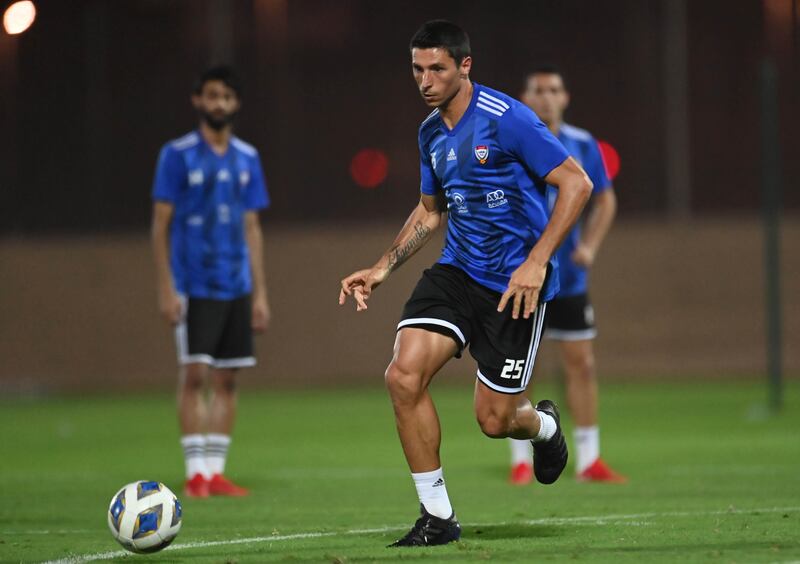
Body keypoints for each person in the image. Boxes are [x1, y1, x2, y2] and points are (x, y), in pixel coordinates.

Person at [339, 21, 592, 546]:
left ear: (464, 66)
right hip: (457, 273)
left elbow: (576, 182)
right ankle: (438, 517)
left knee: (495, 420)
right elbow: (431, 213)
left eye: (437, 68)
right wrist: (383, 267)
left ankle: (543, 427)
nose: (426, 80)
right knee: (402, 376)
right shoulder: (430, 132)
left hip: (515, 288)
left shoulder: (508, 119)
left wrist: (538, 261)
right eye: (417, 69)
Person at [151, 65, 271, 498]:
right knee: (195, 374)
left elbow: (252, 227)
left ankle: (214, 472)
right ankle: (194, 471)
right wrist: (166, 287)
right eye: (211, 96)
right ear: (197, 101)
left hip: (235, 284)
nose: (219, 103)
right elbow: (159, 225)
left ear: (235, 104)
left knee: (227, 379)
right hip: (193, 284)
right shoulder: (177, 154)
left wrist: (260, 293)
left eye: (226, 97)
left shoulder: (247, 158)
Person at [508, 66, 624, 485]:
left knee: (582, 365)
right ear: (525, 96)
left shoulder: (582, 143)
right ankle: (520, 461)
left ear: (565, 97)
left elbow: (605, 200)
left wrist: (589, 245)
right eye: (537, 90)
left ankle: (589, 460)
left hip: (567, 279)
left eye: (553, 89)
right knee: (520, 368)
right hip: (522, 275)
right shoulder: (513, 139)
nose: (545, 97)